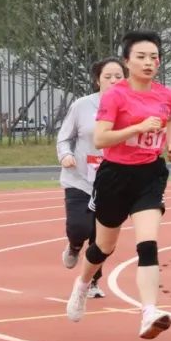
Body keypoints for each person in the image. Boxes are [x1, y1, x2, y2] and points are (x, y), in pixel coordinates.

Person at [65, 30, 171, 340]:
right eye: (141, 57)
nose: (149, 62)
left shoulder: (166, 95)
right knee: (104, 246)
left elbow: (170, 118)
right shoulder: (115, 95)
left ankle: (149, 311)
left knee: (148, 243)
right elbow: (101, 138)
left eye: (154, 57)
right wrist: (137, 128)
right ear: (127, 61)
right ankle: (82, 284)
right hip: (115, 175)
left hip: (150, 175)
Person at [56, 57, 125, 299]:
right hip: (80, 178)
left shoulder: (131, 107)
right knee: (80, 227)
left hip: (112, 180)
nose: (114, 81)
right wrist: (65, 155)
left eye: (119, 76)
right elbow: (64, 137)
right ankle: (75, 245)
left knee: (102, 238)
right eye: (108, 76)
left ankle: (92, 282)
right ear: (97, 80)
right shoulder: (82, 106)